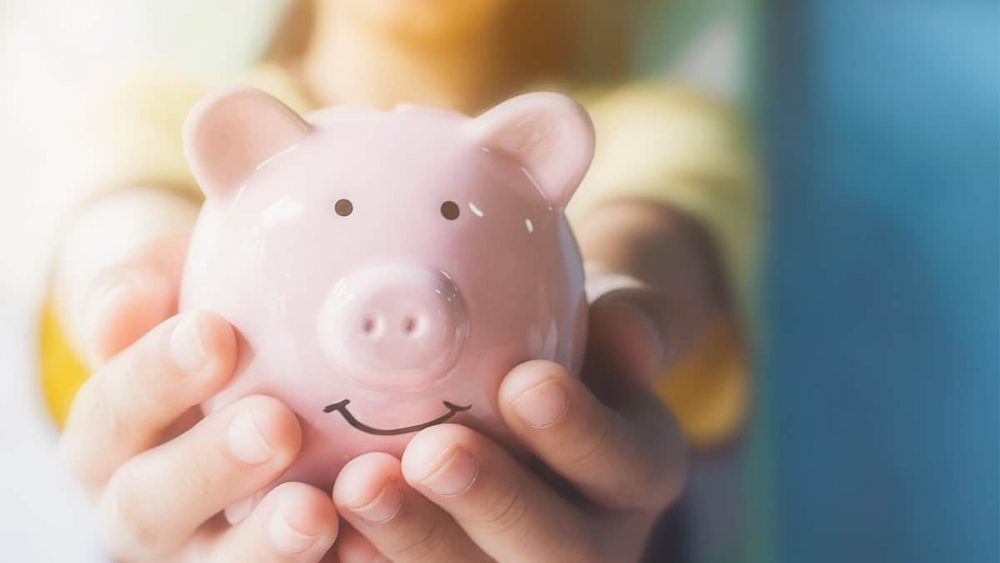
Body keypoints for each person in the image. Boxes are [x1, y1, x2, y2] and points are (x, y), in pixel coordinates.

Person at [45, 0, 758, 560]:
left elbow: (647, 232)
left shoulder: (650, 125)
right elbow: (122, 205)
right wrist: (135, 282)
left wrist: (597, 297)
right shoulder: (162, 111)